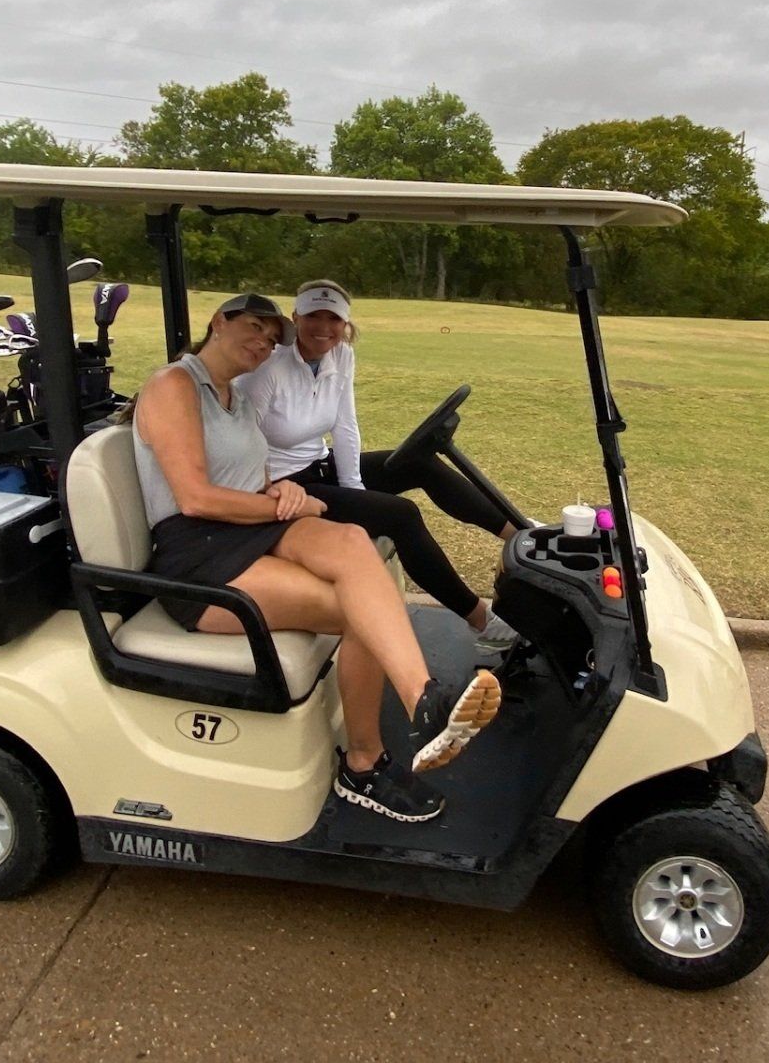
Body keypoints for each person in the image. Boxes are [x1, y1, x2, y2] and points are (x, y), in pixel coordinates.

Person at [132, 292, 501, 825]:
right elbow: (196, 498)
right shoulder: (174, 385)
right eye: (254, 328)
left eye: (271, 336)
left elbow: (249, 475)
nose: (263, 342)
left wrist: (284, 494)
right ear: (218, 322)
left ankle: (426, 700)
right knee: (358, 610)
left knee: (354, 542)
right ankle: (364, 763)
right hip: (197, 554)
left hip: (249, 528)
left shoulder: (233, 396)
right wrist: (273, 501)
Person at [238, 280, 520, 650]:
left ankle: (521, 537)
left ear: (345, 324)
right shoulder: (267, 370)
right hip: (283, 488)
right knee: (400, 515)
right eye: (313, 317)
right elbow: (244, 443)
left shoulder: (340, 355)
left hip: (322, 466)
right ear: (295, 318)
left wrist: (353, 487)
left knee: (421, 463)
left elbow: (345, 424)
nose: (323, 328)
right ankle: (480, 620)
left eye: (333, 319)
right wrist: (275, 489)